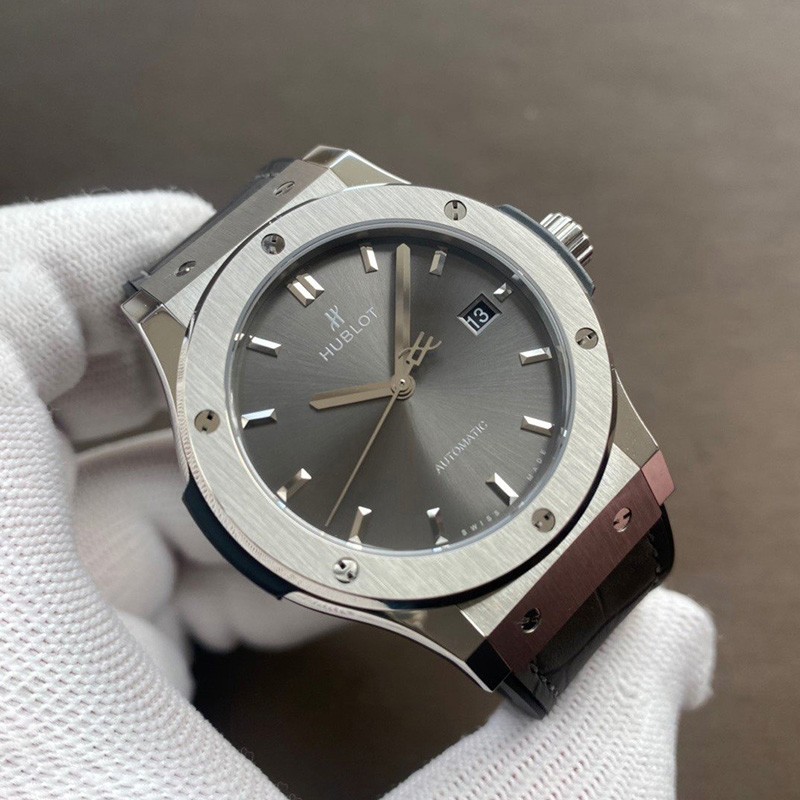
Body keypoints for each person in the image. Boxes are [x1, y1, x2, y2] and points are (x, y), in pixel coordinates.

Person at [0, 190, 716, 799]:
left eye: (403, 381)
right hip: (465, 591)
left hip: (591, 471)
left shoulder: (349, 197)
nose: (402, 388)